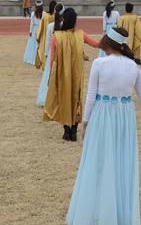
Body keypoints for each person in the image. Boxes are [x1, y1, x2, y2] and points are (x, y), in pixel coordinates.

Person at [66, 26, 141, 225]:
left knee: (98, 161)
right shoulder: (133, 66)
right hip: (124, 116)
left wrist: (85, 121)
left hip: (102, 114)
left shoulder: (99, 63)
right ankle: (118, 216)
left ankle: (97, 214)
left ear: (108, 43)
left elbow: (91, 94)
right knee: (121, 161)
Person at [43, 8, 101, 141]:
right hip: (76, 73)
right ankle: (74, 130)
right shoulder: (80, 35)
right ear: (74, 21)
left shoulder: (56, 36)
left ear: (63, 19)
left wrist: (52, 76)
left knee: (63, 99)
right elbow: (95, 44)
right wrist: (112, 41)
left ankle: (66, 131)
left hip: (62, 75)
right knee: (76, 99)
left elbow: (53, 58)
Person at [37, 3, 64, 107]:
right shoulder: (64, 25)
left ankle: (45, 97)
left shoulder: (50, 26)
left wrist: (46, 54)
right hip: (61, 55)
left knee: (48, 77)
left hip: (51, 55)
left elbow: (48, 43)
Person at [34, 0, 56, 70]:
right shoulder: (57, 16)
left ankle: (45, 67)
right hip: (55, 38)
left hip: (45, 37)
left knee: (45, 51)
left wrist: (38, 36)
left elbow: (40, 27)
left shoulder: (45, 15)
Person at [22, 0, 42, 66]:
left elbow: (32, 24)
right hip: (40, 29)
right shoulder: (44, 13)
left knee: (33, 44)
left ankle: (33, 58)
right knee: (40, 44)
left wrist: (30, 31)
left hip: (35, 29)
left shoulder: (33, 13)